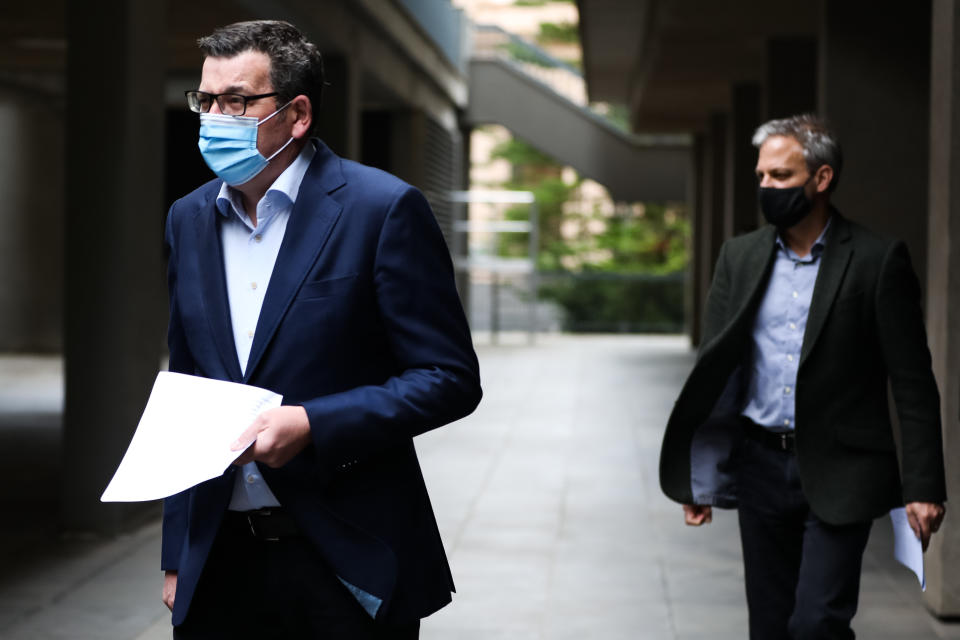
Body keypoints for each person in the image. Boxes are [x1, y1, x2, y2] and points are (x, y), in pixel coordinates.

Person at [161, 20, 481, 639]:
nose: (214, 118)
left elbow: (449, 378)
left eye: (236, 101)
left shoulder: (381, 209)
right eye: (206, 100)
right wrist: (179, 552)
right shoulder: (188, 217)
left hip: (344, 558)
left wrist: (315, 424)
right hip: (220, 560)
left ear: (297, 114)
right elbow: (189, 387)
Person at [659, 114, 946, 639]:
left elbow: (912, 381)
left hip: (845, 468)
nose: (767, 187)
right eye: (762, 176)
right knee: (769, 627)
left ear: (822, 179)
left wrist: (924, 485)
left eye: (781, 177)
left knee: (817, 624)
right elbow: (715, 373)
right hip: (760, 465)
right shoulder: (739, 257)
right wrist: (700, 474)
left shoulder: (877, 261)